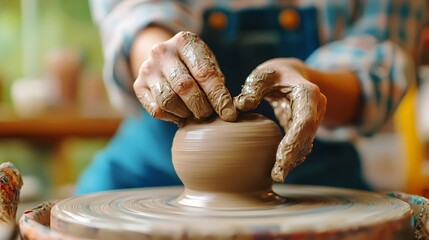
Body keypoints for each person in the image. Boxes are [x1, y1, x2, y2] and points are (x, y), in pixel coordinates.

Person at [76, 0, 426, 195]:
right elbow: (132, 12)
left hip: (309, 173)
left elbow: (382, 62)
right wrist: (159, 55)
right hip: (151, 163)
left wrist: (312, 82)